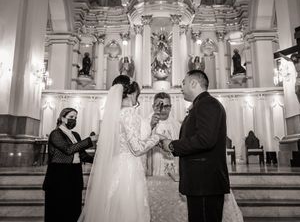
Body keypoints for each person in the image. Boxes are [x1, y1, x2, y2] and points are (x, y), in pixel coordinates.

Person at [78, 75, 165, 222]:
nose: (137, 99)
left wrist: (150, 127)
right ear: (131, 93)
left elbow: (129, 139)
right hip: (128, 170)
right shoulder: (128, 114)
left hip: (116, 165)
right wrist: (157, 138)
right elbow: (137, 148)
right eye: (137, 95)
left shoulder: (116, 114)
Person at [161, 70, 243, 222]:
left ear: (193, 83)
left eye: (183, 83)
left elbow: (205, 140)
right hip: (200, 183)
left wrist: (172, 146)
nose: (181, 87)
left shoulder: (208, 104)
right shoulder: (201, 104)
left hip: (205, 183)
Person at [42, 107, 98, 222]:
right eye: (71, 117)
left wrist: (98, 160)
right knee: (58, 210)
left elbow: (82, 155)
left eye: (76, 118)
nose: (74, 120)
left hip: (74, 174)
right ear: (63, 118)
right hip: (59, 175)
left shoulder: (76, 135)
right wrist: (90, 139)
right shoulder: (55, 134)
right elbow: (68, 149)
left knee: (73, 209)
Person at [149, 92, 180, 176]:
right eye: (159, 106)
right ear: (153, 107)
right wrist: (150, 127)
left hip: (175, 170)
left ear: (171, 107)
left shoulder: (177, 126)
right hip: (153, 171)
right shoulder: (146, 124)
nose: (163, 110)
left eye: (166, 106)